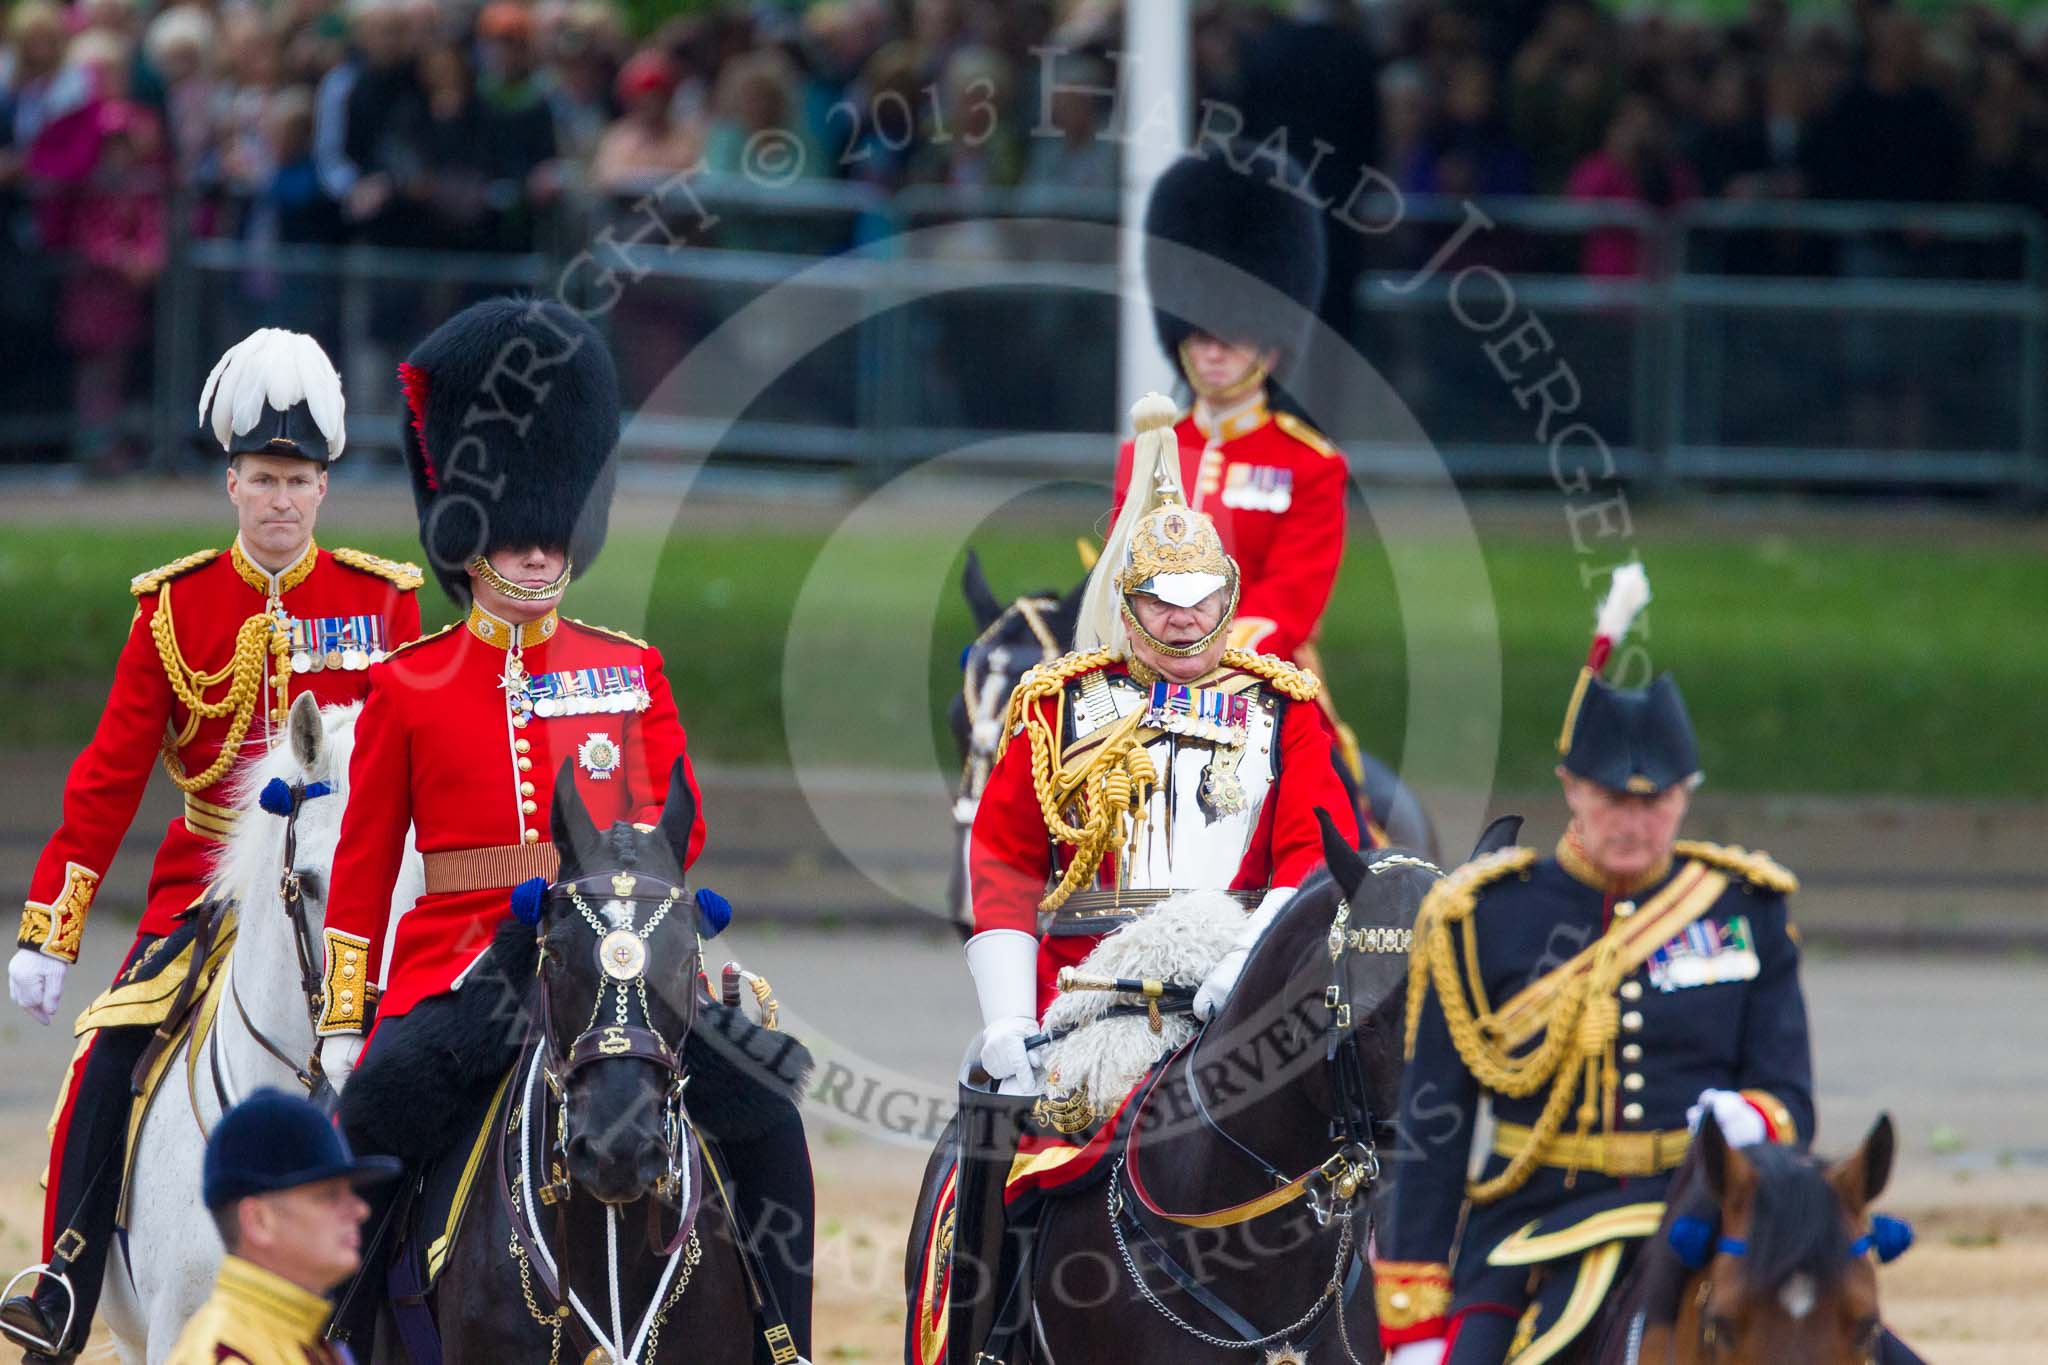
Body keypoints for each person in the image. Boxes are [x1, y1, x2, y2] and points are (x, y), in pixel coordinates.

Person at [314, 297, 811, 1361]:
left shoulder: (625, 670)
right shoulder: (407, 684)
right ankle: (341, 1339)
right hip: (463, 967)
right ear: (466, 536)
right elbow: (361, 866)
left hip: (614, 957)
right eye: (510, 538)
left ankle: (784, 1335)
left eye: (552, 536)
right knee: (376, 1117)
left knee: (766, 1107)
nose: (535, 559)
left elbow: (679, 822)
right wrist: (348, 1019)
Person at [1374, 566, 1923, 1365]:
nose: (1634, 819)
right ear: (1570, 787)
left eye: (1655, 801)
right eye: (1612, 799)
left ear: (1686, 797)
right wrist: (1414, 1315)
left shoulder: (1744, 907)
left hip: (1715, 1216)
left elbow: (1789, 1095)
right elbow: (1432, 1129)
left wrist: (1748, 1121)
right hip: (1535, 1227)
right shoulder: (1483, 914)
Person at [0, 330, 421, 1365]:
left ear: (324, 490)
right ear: (233, 484)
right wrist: (52, 928)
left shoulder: (382, 600)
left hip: (346, 886)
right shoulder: (173, 607)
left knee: (419, 1064)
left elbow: (418, 760)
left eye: (302, 481)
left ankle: (429, 1279)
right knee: (107, 1055)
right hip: (204, 883)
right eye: (266, 479)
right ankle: (66, 1269)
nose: (283, 500)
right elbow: (107, 775)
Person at [946, 395, 1361, 1364]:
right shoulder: (1056, 704)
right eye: (1160, 598)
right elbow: (1005, 856)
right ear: (1126, 604)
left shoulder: (1281, 708)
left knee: (1358, 1136)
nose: (1182, 617)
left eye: (1200, 595)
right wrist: (1009, 1014)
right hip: (1083, 1003)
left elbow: (1314, 852)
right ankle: (981, 1341)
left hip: (1243, 992)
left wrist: (1253, 962)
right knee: (983, 1140)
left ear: (1226, 597)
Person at [1111, 148, 1343, 669]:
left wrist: (1210, 659)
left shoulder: (1309, 464)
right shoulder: (1146, 452)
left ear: (1270, 345)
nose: (1214, 353)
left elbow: (1290, 598)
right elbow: (1120, 574)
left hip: (1260, 677)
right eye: (1199, 334)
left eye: (1234, 336)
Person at [165, 1088, 399, 1365]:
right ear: (259, 1221)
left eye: (350, 1192)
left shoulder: (312, 1346)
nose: (361, 1210)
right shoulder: (228, 1356)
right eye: (328, 1196)